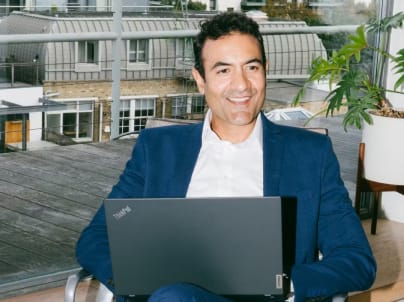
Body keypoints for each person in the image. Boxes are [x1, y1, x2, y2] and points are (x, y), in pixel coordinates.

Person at [76, 12, 376, 302]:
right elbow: (98, 237)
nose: (241, 85)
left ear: (266, 70)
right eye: (223, 70)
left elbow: (357, 260)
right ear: (200, 79)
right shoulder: (158, 149)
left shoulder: (310, 155)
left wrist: (285, 282)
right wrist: (137, 278)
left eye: (252, 67)